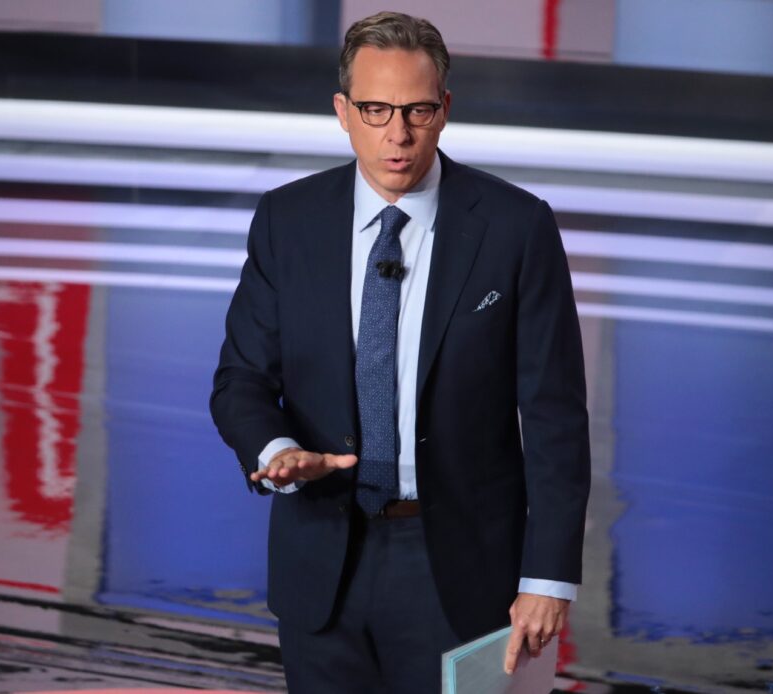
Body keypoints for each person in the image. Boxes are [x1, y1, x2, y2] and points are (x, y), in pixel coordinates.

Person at [210, 11, 590, 693]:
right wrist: (277, 452)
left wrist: (548, 577)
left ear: (444, 110)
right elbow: (240, 380)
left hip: (463, 571)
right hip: (321, 562)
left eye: (417, 110)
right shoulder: (287, 220)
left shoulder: (515, 227)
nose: (398, 133)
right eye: (376, 110)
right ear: (343, 112)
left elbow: (555, 416)